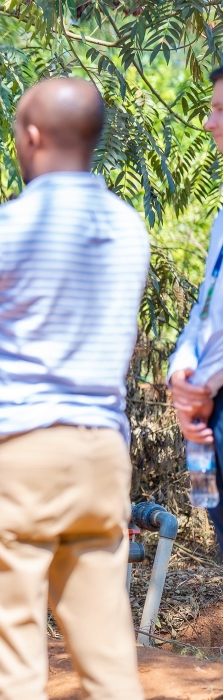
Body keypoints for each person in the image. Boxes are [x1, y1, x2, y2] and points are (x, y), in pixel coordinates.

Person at [0, 78, 149, 699]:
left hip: (12, 452)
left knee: (11, 668)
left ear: (34, 135)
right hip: (99, 453)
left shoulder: (4, 226)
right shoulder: (129, 229)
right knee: (108, 658)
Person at [170, 65, 223, 559]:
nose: (208, 122)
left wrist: (203, 386)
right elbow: (205, 311)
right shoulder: (222, 218)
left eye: (220, 110)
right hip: (209, 409)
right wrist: (181, 372)